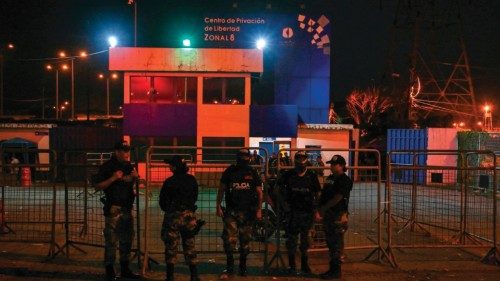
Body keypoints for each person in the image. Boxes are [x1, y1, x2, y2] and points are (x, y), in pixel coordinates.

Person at [93, 141, 140, 281]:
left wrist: (135, 178)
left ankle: (125, 269)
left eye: (128, 150)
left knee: (127, 240)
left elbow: (130, 183)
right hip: (114, 208)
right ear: (116, 152)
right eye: (124, 151)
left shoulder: (128, 166)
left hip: (127, 208)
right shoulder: (107, 167)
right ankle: (110, 271)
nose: (127, 153)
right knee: (112, 241)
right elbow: (97, 186)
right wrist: (113, 178)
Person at [216, 149, 263, 278]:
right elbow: (221, 189)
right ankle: (230, 267)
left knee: (245, 241)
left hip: (248, 212)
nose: (243, 158)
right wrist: (218, 206)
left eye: (245, 156)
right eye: (241, 156)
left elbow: (259, 192)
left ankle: (243, 267)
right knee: (229, 241)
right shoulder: (230, 171)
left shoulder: (253, 172)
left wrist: (259, 210)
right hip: (232, 211)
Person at [159, 155, 203, 281]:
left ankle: (170, 276)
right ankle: (194, 276)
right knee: (189, 244)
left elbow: (163, 202)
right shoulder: (192, 180)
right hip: (189, 215)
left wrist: (170, 210)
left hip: (173, 216)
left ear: (174, 167)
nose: (169, 167)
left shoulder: (169, 182)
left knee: (171, 246)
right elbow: (195, 197)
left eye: (171, 165)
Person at [277, 151, 321, 275]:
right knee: (291, 241)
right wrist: (284, 204)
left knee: (306, 241)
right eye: (299, 158)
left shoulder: (311, 175)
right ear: (295, 160)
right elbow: (277, 190)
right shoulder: (289, 174)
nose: (301, 161)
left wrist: (317, 210)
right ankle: (292, 266)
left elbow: (317, 193)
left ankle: (304, 265)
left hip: (307, 213)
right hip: (292, 213)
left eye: (303, 158)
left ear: (306, 160)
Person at [316, 155, 353, 279]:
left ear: (341, 166)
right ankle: (332, 269)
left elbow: (338, 197)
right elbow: (324, 194)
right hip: (329, 215)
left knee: (336, 244)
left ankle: (336, 271)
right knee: (331, 243)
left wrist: (324, 208)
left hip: (337, 215)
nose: (331, 166)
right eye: (331, 164)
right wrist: (320, 208)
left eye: (334, 164)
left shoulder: (345, 180)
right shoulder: (330, 178)